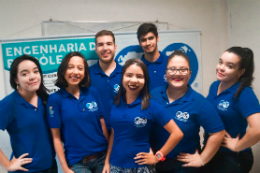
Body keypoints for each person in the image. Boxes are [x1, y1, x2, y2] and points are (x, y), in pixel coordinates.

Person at [102, 58, 183, 173]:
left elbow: (177, 133)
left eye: (139, 76)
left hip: (141, 167)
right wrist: (107, 161)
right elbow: (114, 134)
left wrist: (157, 157)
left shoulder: (151, 105)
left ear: (145, 80)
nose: (134, 80)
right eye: (129, 75)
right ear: (122, 77)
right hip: (115, 166)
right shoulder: (114, 103)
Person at [150, 50, 225, 173]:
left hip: (183, 167)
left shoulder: (199, 102)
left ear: (190, 74)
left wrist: (202, 159)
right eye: (172, 69)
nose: (177, 73)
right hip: (156, 163)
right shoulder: (154, 94)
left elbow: (218, 133)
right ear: (166, 72)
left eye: (183, 69)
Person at [47, 52, 108, 173]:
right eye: (70, 67)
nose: (75, 72)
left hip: (102, 156)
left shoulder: (92, 92)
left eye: (80, 68)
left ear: (84, 72)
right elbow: (56, 137)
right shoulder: (55, 99)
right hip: (77, 161)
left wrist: (109, 156)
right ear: (63, 70)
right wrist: (64, 168)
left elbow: (102, 124)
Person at [203, 47, 260, 173]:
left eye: (229, 66)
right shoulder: (215, 85)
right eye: (220, 62)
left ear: (240, 72)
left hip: (231, 157)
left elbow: (257, 129)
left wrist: (237, 146)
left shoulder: (244, 93)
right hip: (211, 150)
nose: (221, 68)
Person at [0, 55, 57, 173]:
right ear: (16, 79)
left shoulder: (47, 100)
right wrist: (7, 165)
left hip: (50, 167)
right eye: (25, 74)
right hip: (26, 170)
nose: (32, 77)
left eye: (35, 71)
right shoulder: (9, 103)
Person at [89, 30, 122, 131]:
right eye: (100, 44)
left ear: (115, 47)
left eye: (109, 44)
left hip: (122, 132)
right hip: (95, 133)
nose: (105, 48)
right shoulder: (86, 75)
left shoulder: (127, 73)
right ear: (96, 48)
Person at [137, 23, 168, 91]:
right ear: (139, 42)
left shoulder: (171, 63)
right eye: (143, 40)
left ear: (157, 38)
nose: (148, 43)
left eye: (151, 38)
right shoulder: (137, 67)